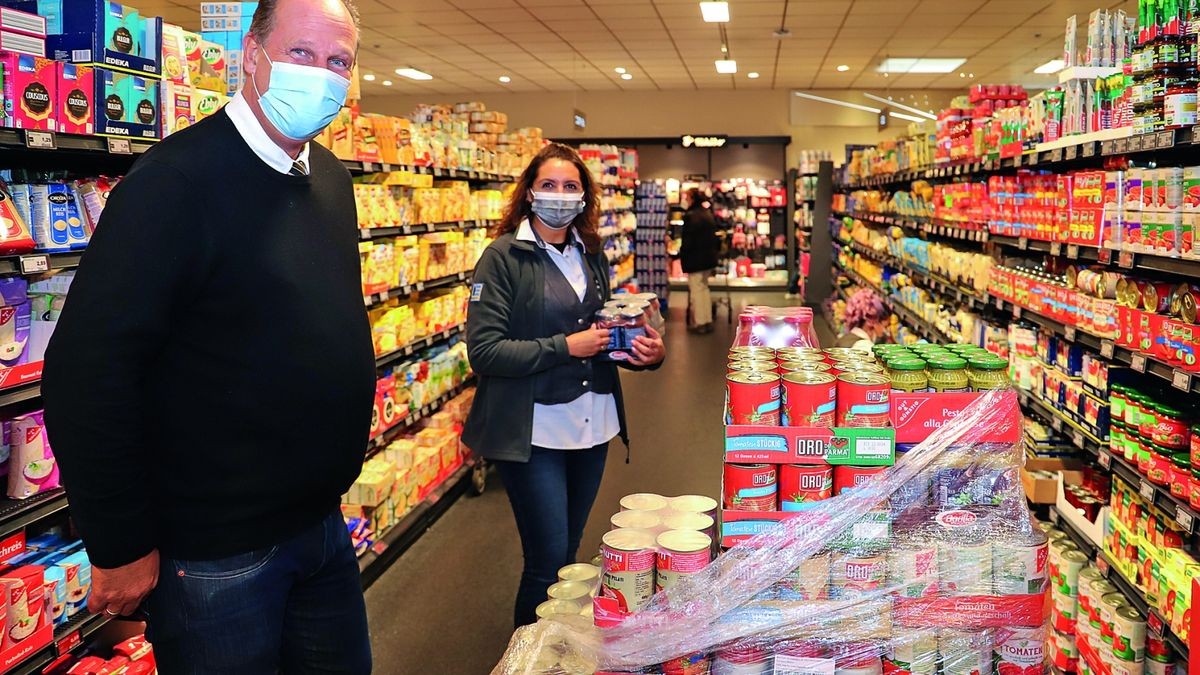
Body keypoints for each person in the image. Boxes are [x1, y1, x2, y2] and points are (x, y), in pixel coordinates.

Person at [40, 0, 374, 671]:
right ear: (251, 55)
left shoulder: (332, 180)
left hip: (322, 527)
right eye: (301, 53)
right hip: (218, 556)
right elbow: (87, 369)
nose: (323, 76)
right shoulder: (175, 182)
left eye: (339, 62)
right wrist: (119, 540)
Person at [463, 143, 667, 628]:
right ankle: (526, 656)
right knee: (546, 561)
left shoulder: (590, 252)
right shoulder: (502, 258)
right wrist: (563, 346)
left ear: (584, 196)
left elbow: (604, 334)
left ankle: (558, 650)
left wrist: (646, 356)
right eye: (549, 185)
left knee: (571, 557)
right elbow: (484, 351)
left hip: (592, 426)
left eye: (570, 186)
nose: (559, 195)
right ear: (529, 193)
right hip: (534, 430)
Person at [678, 188, 721, 334]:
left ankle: (700, 322)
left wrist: (682, 255)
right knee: (704, 288)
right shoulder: (706, 213)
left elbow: (688, 242)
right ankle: (707, 320)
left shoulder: (690, 216)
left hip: (695, 259)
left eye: (686, 197)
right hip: (708, 259)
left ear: (691, 198)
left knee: (696, 290)